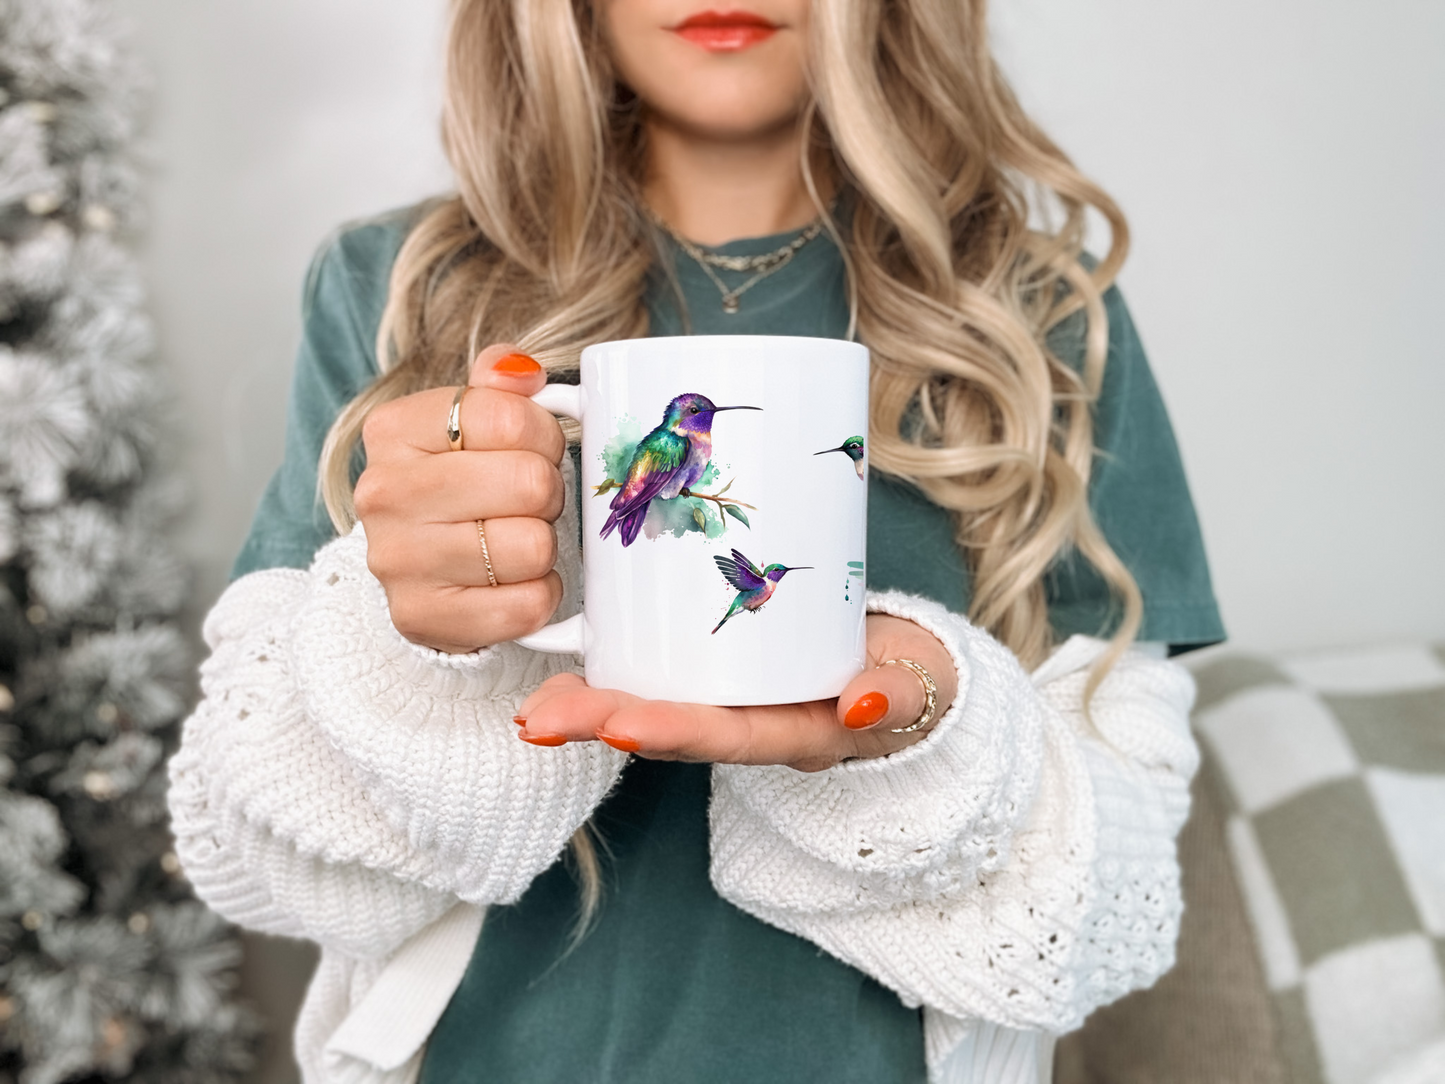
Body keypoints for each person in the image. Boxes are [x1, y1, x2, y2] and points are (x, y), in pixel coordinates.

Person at [166, 0, 1224, 1080]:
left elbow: (1117, 909)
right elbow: (256, 860)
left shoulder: (1036, 314)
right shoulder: (396, 286)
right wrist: (418, 654)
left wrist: (928, 740)